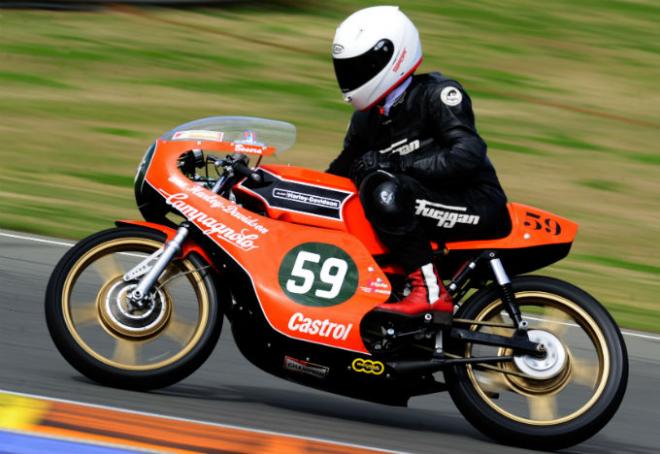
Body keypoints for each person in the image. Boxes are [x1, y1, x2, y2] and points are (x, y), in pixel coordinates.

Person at [327, 6, 510, 317]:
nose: (352, 77)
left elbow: (467, 154)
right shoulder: (366, 118)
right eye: (347, 68)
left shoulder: (438, 94)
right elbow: (337, 175)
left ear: (394, 57)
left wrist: (397, 163)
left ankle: (429, 291)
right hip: (417, 202)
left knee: (383, 189)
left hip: (476, 203)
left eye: (362, 66)